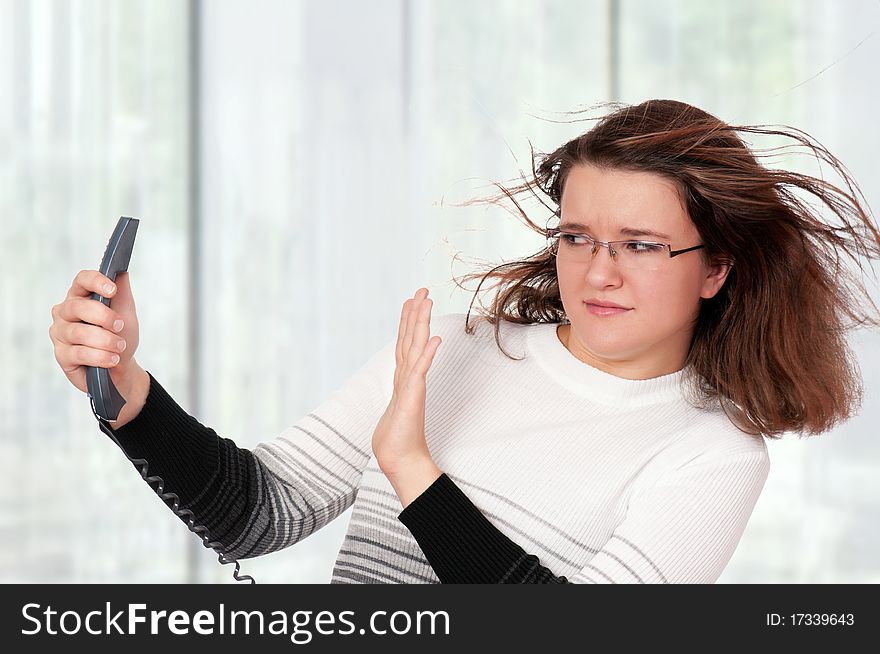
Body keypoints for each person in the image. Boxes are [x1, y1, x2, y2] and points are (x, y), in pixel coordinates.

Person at [49, 99, 880, 584]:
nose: (599, 273)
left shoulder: (713, 457)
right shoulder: (449, 349)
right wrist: (125, 389)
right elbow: (252, 514)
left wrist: (414, 472)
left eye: (641, 244)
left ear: (715, 269)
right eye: (580, 237)